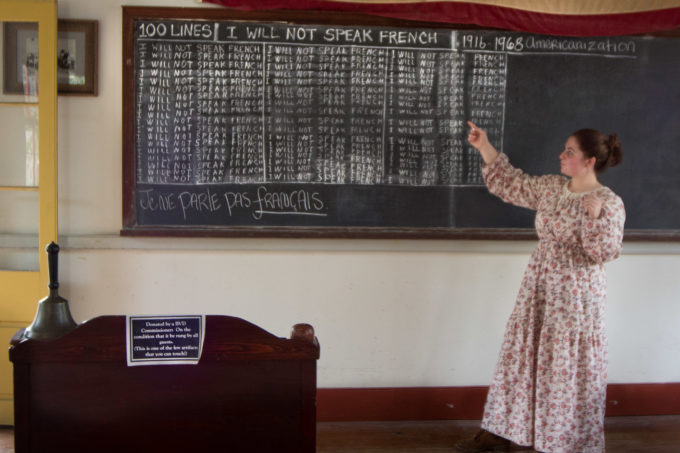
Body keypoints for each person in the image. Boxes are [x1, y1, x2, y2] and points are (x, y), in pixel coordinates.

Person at [455, 121, 625, 453]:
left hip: (575, 298)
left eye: (570, 152)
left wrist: (593, 219)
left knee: (563, 364)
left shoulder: (609, 201)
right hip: (538, 287)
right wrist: (484, 146)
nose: (561, 156)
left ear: (589, 161)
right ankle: (503, 434)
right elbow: (511, 184)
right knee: (522, 355)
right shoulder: (552, 188)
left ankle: (561, 441)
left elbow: (603, 253)